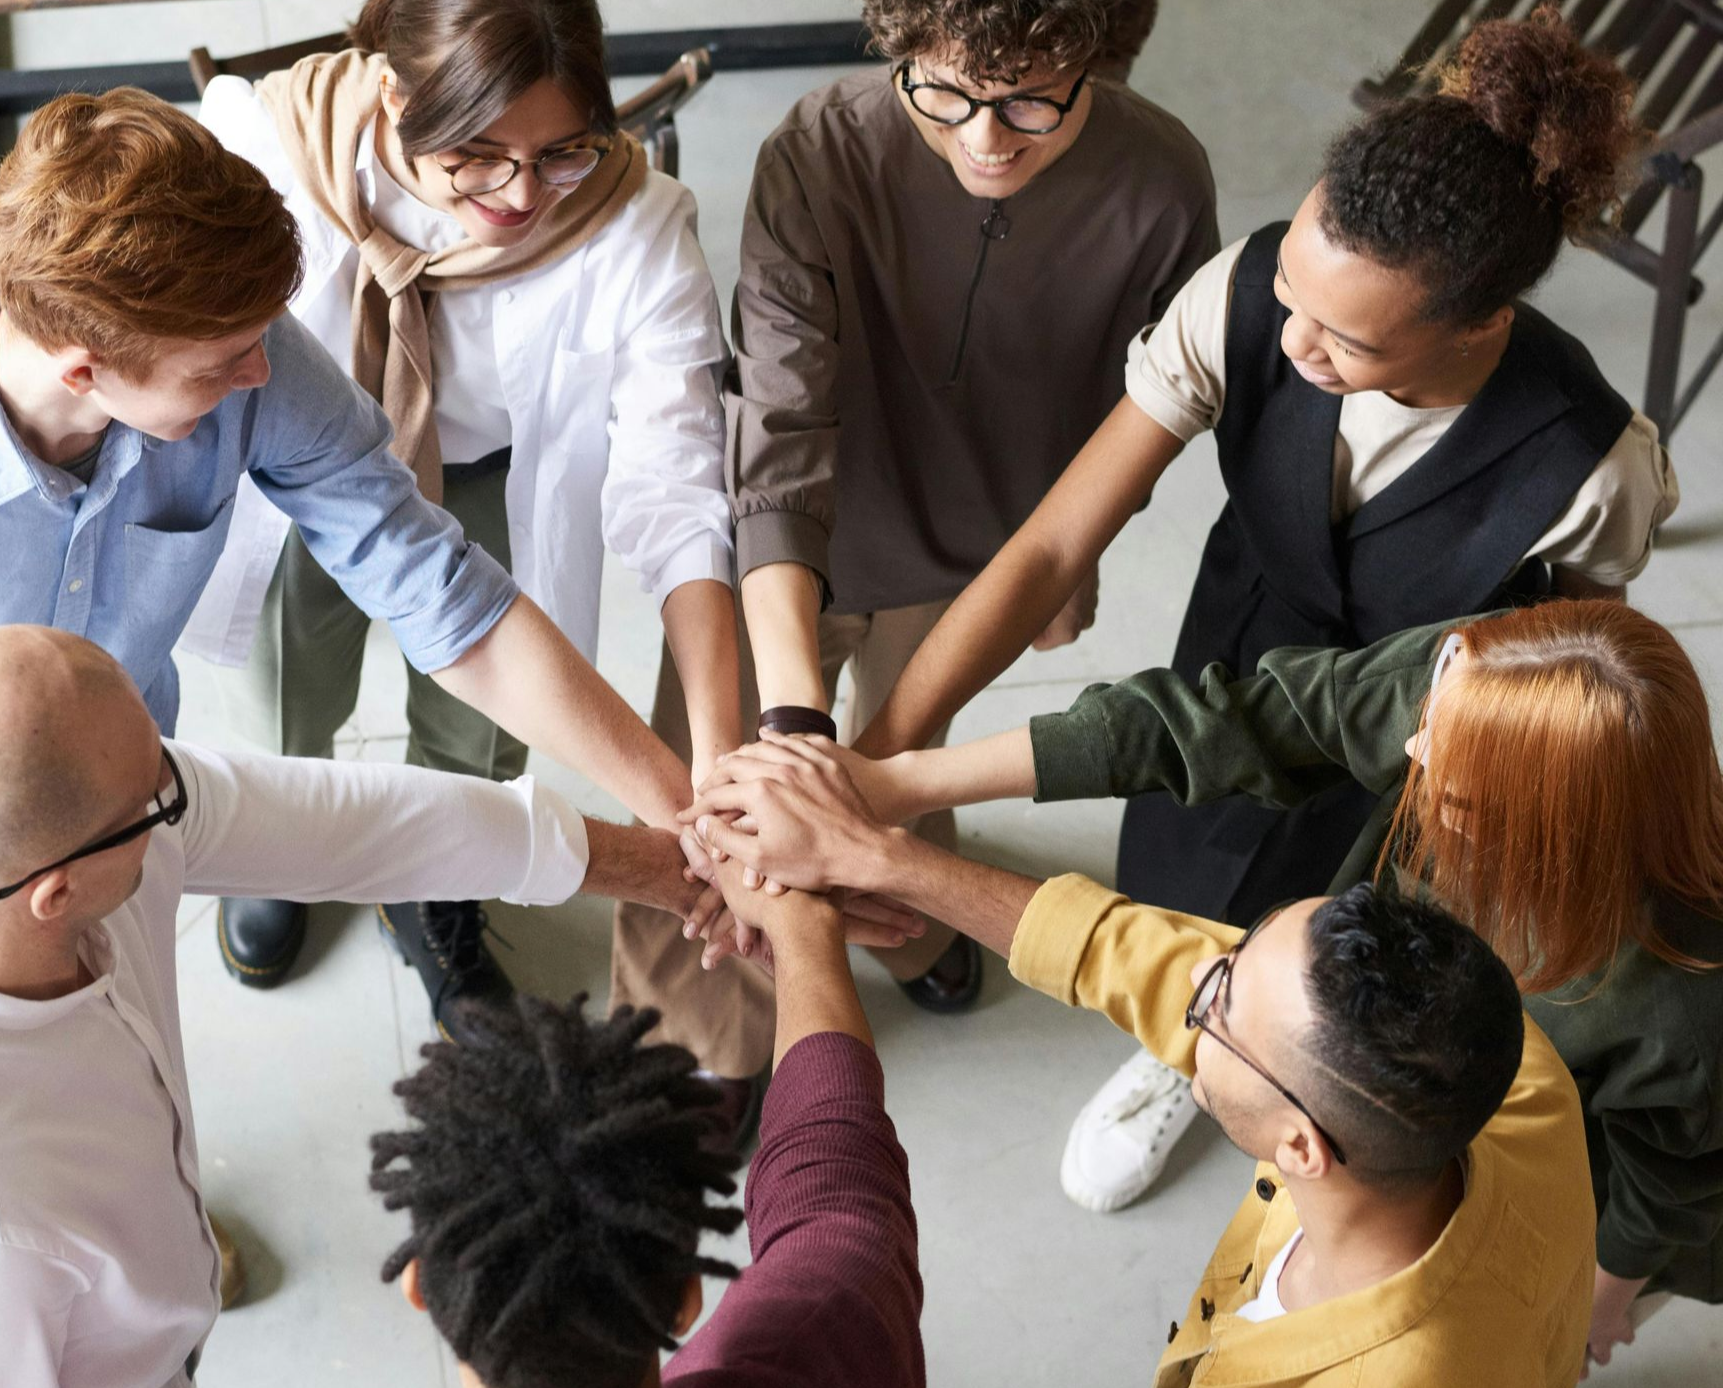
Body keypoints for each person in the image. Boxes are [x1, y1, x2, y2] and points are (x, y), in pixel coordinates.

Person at [845, 5, 1678, 1210]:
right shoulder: (1239, 299)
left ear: (1483, 324)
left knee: (1342, 950)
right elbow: (1048, 546)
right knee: (1186, 859)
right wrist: (881, 757)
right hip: (1240, 641)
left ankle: (1281, 1080)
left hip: (1416, 740)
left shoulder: (1593, 468)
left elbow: (1570, 673)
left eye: (1345, 337)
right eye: (1292, 291)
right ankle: (1182, 1047)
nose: (1293, 344)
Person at [0, 89, 711, 984]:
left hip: (123, 808)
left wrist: (683, 815)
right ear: (86, 369)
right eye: (221, 365)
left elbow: (439, 590)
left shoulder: (238, 344)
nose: (261, 371)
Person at [0, 624, 781, 1387]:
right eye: (155, 797)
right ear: (54, 891)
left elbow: (352, 822)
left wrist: (659, 867)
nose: (179, 793)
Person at [785, 597, 1723, 1374]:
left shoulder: (1668, 1013)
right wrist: (895, 814)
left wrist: (1603, 1289)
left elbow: (1670, 1181)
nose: (1414, 753)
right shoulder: (1526, 1082)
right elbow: (1228, 740)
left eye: (1215, 1010)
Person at [610, 0, 1219, 1098]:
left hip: (983, 554)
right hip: (794, 542)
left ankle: (909, 930)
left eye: (1034, 99)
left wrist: (1072, 564)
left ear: (1100, 61)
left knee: (907, 761)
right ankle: (692, 1036)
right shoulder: (817, 151)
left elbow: (1138, 417)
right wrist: (796, 733)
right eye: (942, 94)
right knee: (728, 790)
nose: (987, 137)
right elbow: (780, 434)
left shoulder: (1162, 182)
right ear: (898, 50)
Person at [681, 739, 1598, 1385]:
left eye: (1218, 1004)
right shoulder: (1507, 1077)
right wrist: (878, 857)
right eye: (1237, 950)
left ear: (1302, 1148)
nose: (1192, 981)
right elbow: (1139, 955)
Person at [173, 0, 741, 1040]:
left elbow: (678, 477)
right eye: (478, 158)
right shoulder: (268, 145)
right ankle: (285, 850)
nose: (523, 195)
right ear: (393, 97)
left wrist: (712, 759)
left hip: (491, 465)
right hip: (303, 461)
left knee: (485, 718)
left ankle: (443, 878)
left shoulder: (635, 218)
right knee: (289, 673)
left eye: (562, 151)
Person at [370, 876, 926, 1387]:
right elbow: (840, 1196)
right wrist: (805, 933)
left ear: (416, 1283)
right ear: (687, 1301)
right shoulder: (830, 1323)